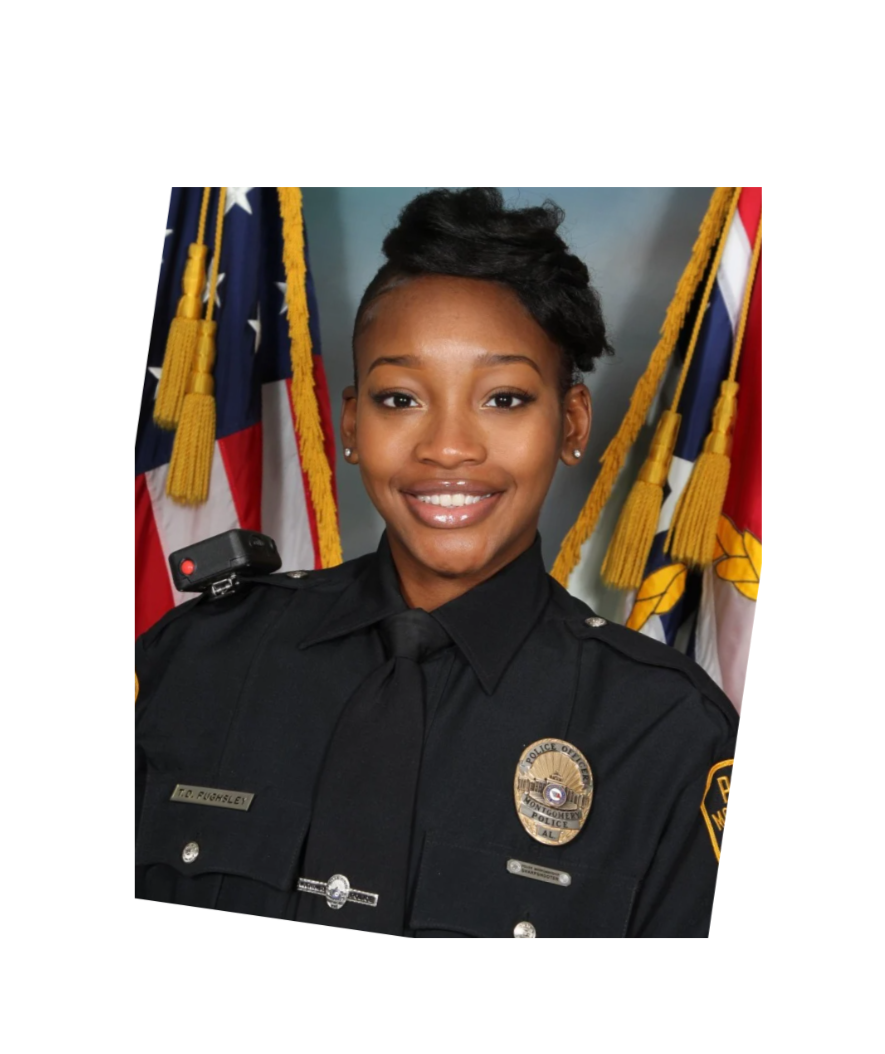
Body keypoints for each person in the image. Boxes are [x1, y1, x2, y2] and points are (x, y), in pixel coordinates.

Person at [134, 187, 735, 938]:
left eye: (504, 399)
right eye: (400, 399)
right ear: (350, 424)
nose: (448, 448)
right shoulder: (196, 658)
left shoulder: (669, 734)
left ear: (572, 424)